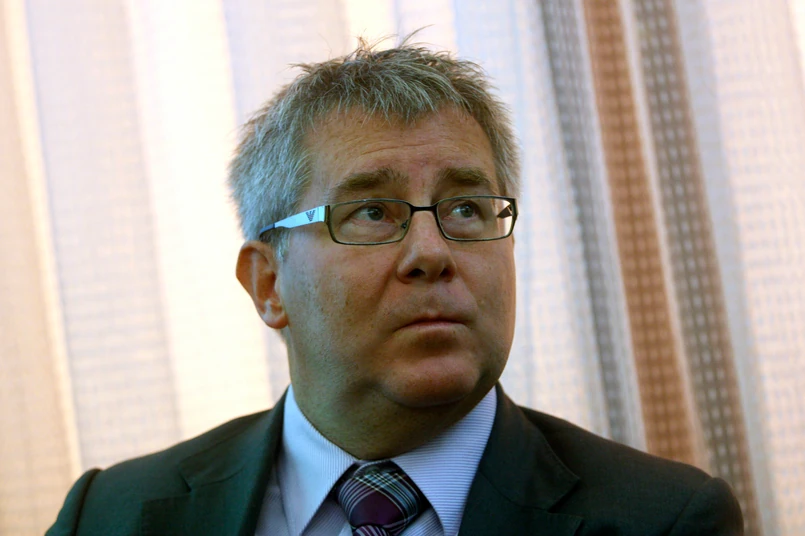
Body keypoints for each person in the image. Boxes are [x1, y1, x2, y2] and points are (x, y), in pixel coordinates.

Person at [47, 38, 744, 536]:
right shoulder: (111, 516)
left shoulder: (663, 519)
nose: (432, 253)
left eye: (466, 208)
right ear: (268, 283)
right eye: (372, 213)